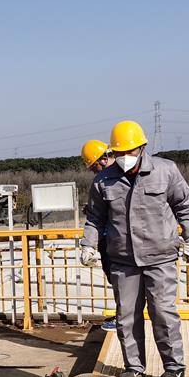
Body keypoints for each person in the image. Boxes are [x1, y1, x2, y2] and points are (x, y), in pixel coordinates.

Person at [79, 121, 189, 377]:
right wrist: (88, 245)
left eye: (130, 152)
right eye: (120, 153)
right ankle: (133, 368)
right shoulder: (104, 180)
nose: (125, 158)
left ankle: (174, 368)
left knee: (163, 312)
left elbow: (185, 206)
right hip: (123, 260)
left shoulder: (165, 170)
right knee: (126, 316)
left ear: (143, 147)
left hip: (160, 256)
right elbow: (95, 219)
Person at [80, 139, 117, 331]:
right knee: (116, 278)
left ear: (101, 160)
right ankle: (124, 314)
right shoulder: (106, 180)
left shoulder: (113, 179)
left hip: (115, 239)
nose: (95, 171)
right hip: (107, 237)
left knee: (121, 280)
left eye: (94, 167)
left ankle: (125, 316)